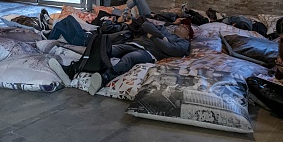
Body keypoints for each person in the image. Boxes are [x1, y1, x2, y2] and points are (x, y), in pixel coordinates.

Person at [51, 18, 193, 95]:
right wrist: (162, 37)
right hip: (134, 43)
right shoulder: (165, 31)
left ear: (188, 36)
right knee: (104, 48)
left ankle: (104, 78)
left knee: (129, 59)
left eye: (186, 28)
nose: (182, 26)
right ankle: (72, 70)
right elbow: (146, 25)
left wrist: (154, 38)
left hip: (148, 53)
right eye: (182, 25)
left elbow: (170, 49)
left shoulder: (184, 43)